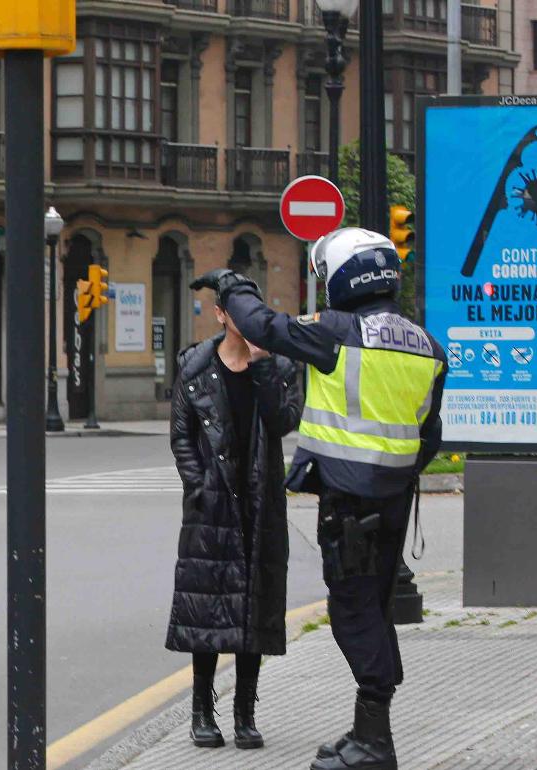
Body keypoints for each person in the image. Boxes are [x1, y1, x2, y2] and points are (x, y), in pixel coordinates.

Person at [215, 228, 447, 770]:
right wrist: (393, 473)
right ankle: (367, 730)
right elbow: (429, 437)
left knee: (351, 614)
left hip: (349, 503)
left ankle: (374, 744)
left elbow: (261, 327)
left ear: (343, 274)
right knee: (375, 609)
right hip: (394, 501)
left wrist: (233, 288)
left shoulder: (337, 331)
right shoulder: (427, 345)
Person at [167, 273, 302, 750]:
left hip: (261, 499)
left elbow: (285, 419)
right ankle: (202, 710)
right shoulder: (196, 365)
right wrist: (198, 482)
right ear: (222, 315)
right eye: (236, 312)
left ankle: (245, 711)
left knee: (254, 610)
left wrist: (264, 365)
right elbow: (181, 432)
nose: (244, 321)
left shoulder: (280, 364)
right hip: (212, 502)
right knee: (205, 611)